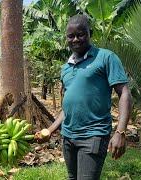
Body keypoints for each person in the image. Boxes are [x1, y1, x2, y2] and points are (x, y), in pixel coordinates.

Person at [35, 14, 132, 180]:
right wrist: (50, 130)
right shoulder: (65, 67)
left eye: (80, 34)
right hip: (68, 137)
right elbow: (67, 108)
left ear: (90, 33)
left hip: (93, 135)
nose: (75, 39)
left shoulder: (105, 57)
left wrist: (120, 132)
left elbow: (124, 93)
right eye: (71, 36)